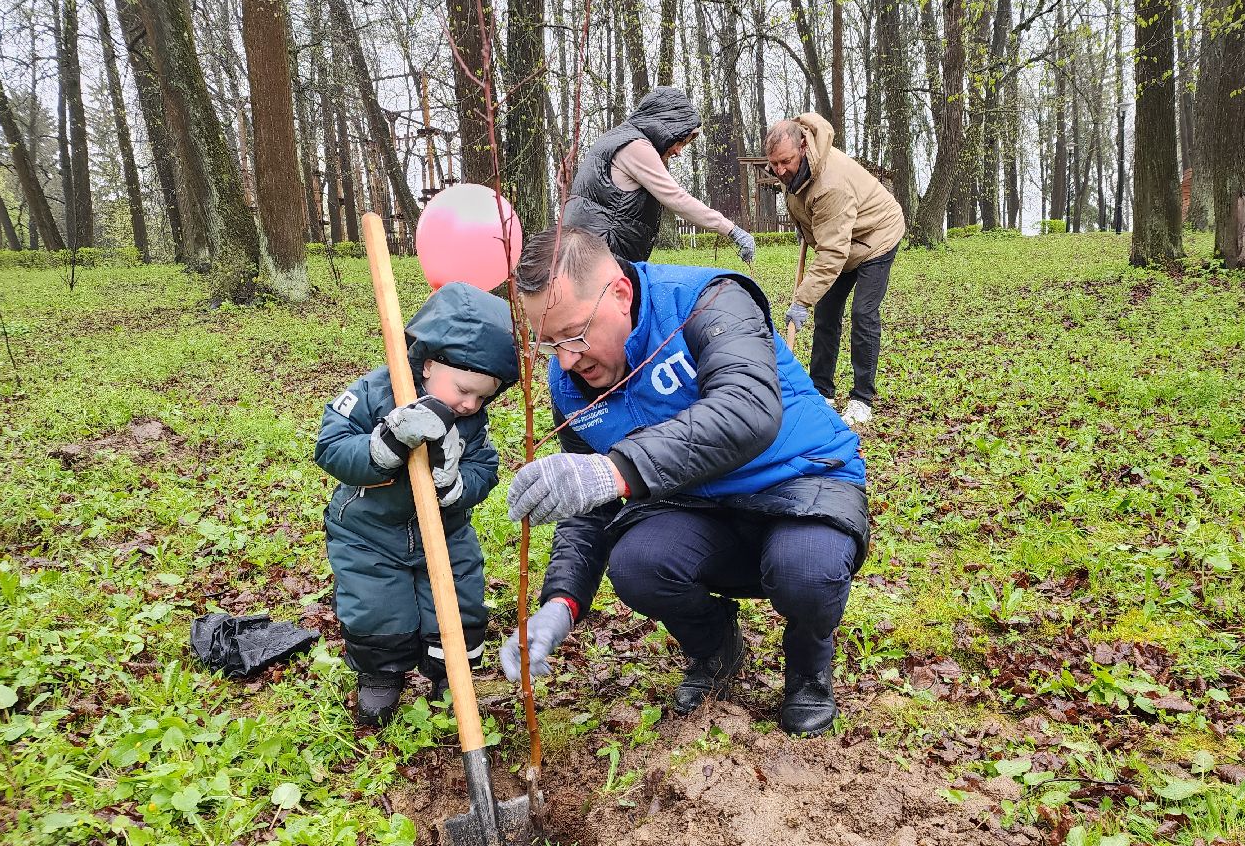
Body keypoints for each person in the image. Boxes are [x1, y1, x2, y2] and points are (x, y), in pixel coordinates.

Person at [497, 226, 869, 736]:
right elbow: (591, 505)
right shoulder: (571, 386)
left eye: (576, 334)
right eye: (549, 343)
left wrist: (616, 468)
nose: (566, 358)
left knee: (806, 571)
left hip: (802, 483)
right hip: (700, 509)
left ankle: (808, 670)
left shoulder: (711, 302)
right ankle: (717, 649)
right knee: (638, 564)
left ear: (620, 295)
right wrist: (559, 603)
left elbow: (747, 410)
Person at [315, 283, 519, 727]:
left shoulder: (470, 420)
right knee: (377, 609)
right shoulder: (373, 393)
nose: (471, 404)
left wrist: (457, 485)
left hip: (445, 533)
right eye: (465, 390)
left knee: (461, 604)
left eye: (484, 397)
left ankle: (452, 675)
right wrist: (384, 446)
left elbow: (485, 466)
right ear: (429, 364)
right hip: (369, 533)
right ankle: (381, 675)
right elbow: (331, 447)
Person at [766, 114, 905, 428]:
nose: (780, 170)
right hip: (842, 236)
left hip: (876, 236)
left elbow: (832, 253)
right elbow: (815, 216)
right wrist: (805, 227)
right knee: (827, 314)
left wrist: (801, 301)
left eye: (785, 161)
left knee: (863, 313)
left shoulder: (831, 184)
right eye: (774, 164)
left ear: (803, 146)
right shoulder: (793, 167)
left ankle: (861, 400)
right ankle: (821, 392)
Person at [563, 86, 757, 265]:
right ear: (667, 125)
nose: (679, 151)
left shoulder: (615, 138)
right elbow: (677, 199)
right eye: (680, 140)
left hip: (584, 248)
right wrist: (732, 230)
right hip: (600, 254)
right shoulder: (635, 147)